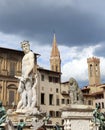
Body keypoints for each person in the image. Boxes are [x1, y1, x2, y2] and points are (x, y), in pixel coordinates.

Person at [17, 41, 35, 109]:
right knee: (21, 90)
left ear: (29, 46)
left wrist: (27, 73)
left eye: (26, 46)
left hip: (28, 74)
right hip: (23, 74)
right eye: (24, 46)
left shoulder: (31, 54)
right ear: (22, 48)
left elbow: (32, 64)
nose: (25, 47)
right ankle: (24, 104)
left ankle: (29, 105)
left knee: (28, 88)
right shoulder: (25, 56)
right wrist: (23, 75)